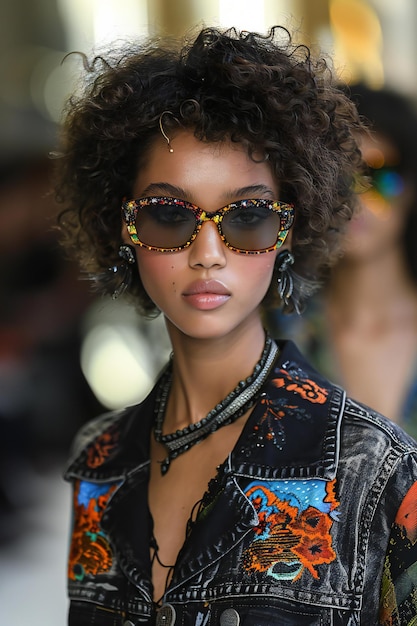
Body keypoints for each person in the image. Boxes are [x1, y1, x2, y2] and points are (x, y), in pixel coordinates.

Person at [55, 26, 417, 625]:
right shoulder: (98, 462)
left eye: (247, 217)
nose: (208, 253)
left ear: (290, 232)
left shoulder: (376, 467)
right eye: (170, 215)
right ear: (124, 227)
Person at [271, 84, 417, 438]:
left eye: (376, 175)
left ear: (411, 186)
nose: (353, 200)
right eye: (335, 178)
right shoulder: (275, 335)